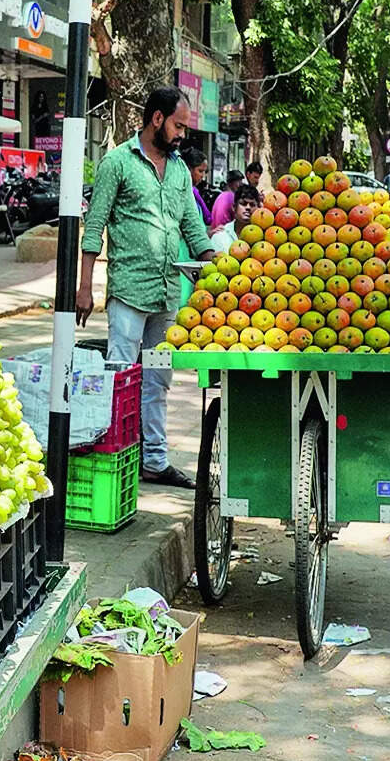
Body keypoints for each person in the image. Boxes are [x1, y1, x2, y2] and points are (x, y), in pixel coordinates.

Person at [76, 87, 216, 489]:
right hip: (129, 293)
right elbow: (95, 225)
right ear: (157, 119)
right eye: (178, 126)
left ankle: (154, 460)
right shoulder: (118, 162)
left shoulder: (179, 171)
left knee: (158, 380)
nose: (182, 135)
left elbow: (193, 227)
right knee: (120, 376)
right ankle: (113, 456)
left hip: (167, 294)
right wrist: (84, 286)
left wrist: (218, 266)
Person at [208, 184, 262, 254]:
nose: (248, 208)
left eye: (252, 205)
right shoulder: (220, 237)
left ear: (258, 209)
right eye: (243, 204)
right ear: (234, 207)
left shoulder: (262, 239)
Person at [182, 147, 212, 225]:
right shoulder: (182, 193)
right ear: (188, 169)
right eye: (200, 171)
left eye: (205, 172)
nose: (203, 176)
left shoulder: (194, 192)